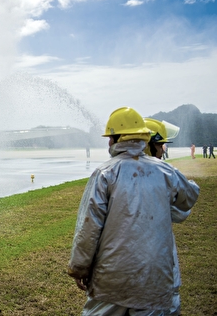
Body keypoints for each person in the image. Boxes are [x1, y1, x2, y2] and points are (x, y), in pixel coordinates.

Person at [68, 107, 199, 315]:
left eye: (110, 137)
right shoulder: (166, 172)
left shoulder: (105, 173)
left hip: (111, 278)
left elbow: (89, 227)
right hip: (154, 278)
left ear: (118, 138)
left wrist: (79, 267)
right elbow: (189, 198)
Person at [144, 118, 190, 315]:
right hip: (156, 261)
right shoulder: (161, 176)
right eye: (160, 145)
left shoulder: (117, 174)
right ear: (148, 145)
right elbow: (181, 212)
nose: (163, 150)